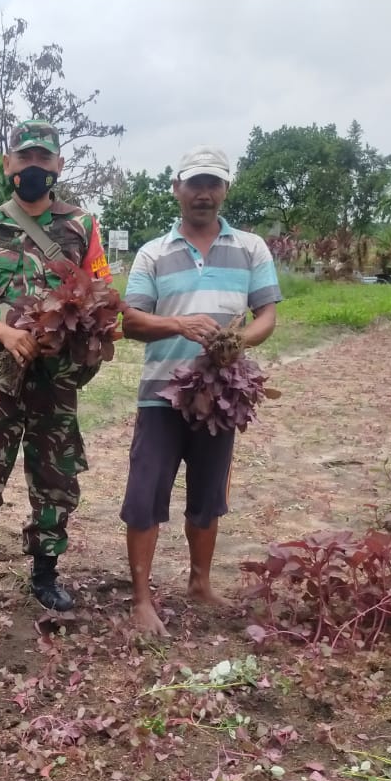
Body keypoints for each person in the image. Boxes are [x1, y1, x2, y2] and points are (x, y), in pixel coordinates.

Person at [0, 119, 113, 616]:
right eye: (24, 159)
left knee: (55, 477)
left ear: (58, 166)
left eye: (43, 160)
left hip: (56, 380)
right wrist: (6, 333)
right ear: (8, 164)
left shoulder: (81, 225)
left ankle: (45, 574)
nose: (33, 168)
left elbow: (100, 295)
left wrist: (74, 337)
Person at [119, 146, 282, 635]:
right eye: (195, 184)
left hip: (220, 394)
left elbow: (267, 316)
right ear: (177, 189)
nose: (204, 194)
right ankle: (141, 599)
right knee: (146, 493)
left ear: (225, 190)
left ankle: (200, 583)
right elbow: (129, 322)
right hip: (161, 395)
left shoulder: (251, 248)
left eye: (213, 184)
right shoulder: (153, 252)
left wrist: (238, 341)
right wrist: (177, 324)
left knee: (208, 493)